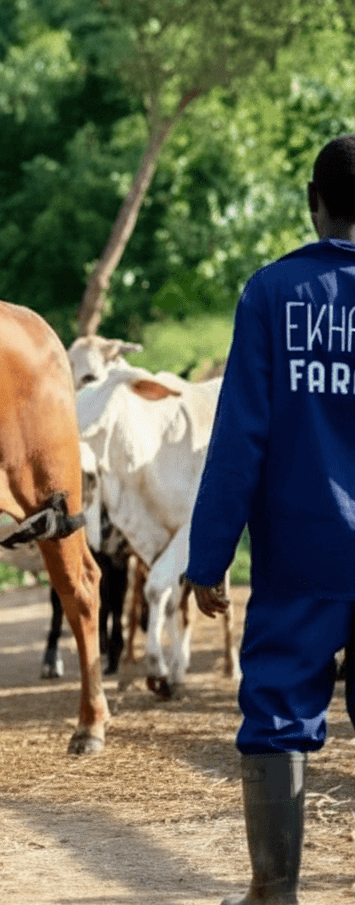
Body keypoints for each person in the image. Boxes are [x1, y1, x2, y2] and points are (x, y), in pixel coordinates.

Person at [183, 134, 355, 905]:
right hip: (311, 554)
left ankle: (274, 893)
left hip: (301, 554)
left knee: (280, 713)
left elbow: (240, 436)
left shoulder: (271, 294)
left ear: (313, 201)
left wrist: (208, 555)